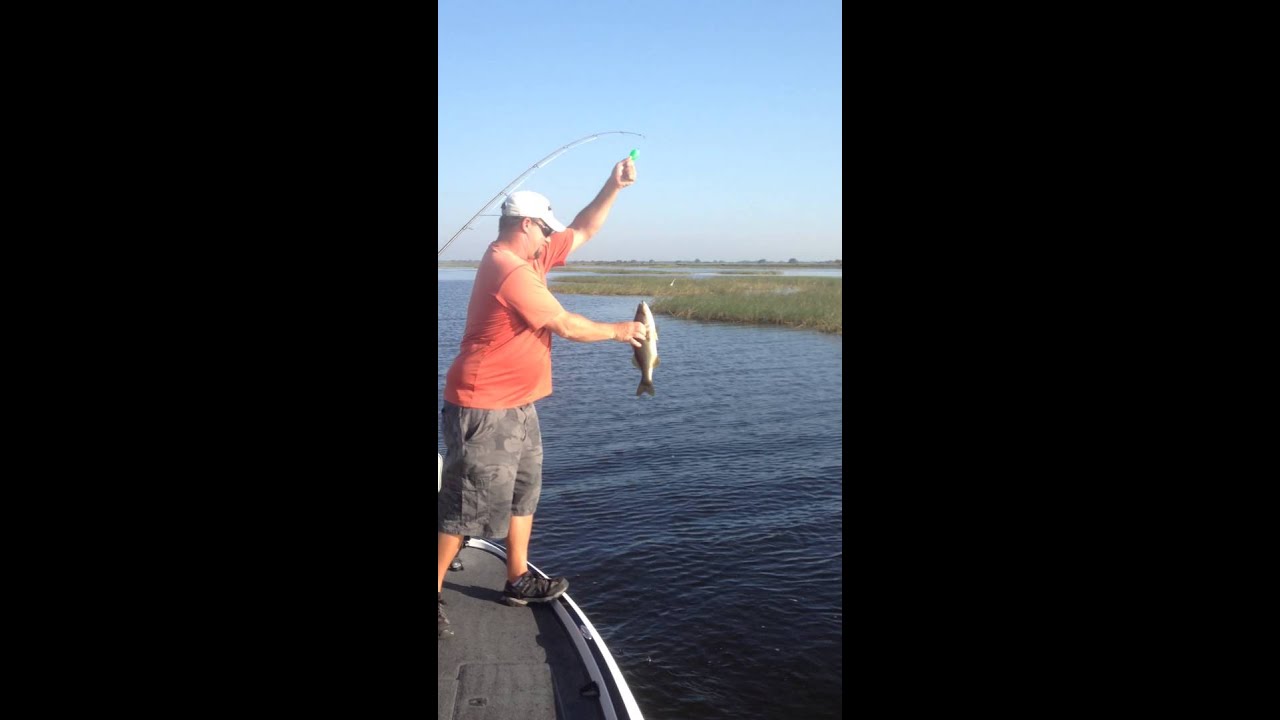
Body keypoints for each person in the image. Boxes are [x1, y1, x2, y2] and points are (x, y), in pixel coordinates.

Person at [438, 156, 645, 638]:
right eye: (544, 229)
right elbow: (565, 324)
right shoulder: (507, 269)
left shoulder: (532, 256)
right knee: (464, 508)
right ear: (525, 225)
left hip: (519, 404)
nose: (551, 237)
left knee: (523, 494)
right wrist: (621, 331)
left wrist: (613, 186)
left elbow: (583, 229)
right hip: (484, 406)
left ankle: (517, 579)